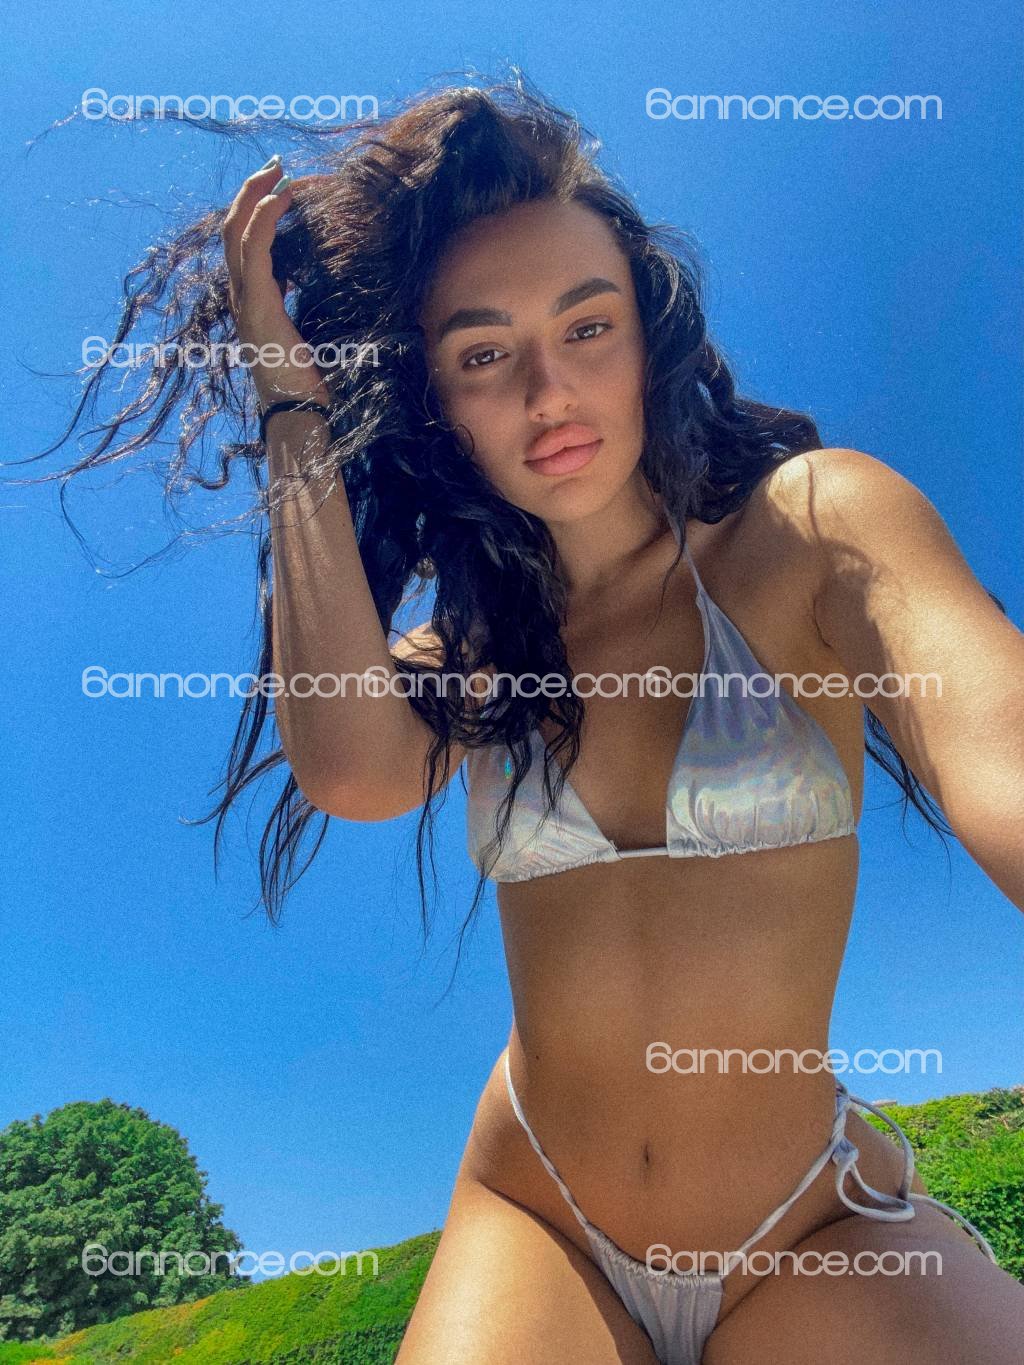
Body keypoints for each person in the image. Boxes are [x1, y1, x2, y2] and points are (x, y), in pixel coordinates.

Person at [19, 75, 1024, 1364]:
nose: (550, 391)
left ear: (649, 334)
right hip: (538, 1216)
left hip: (805, 1224)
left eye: (587, 326)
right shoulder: (473, 656)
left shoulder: (812, 530)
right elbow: (354, 774)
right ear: (436, 399)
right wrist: (292, 404)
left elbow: (1003, 762)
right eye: (485, 354)